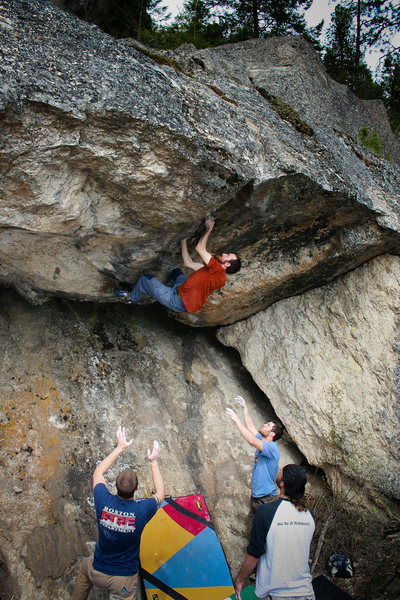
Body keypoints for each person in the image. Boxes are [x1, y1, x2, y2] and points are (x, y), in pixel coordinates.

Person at [70, 426, 165, 600]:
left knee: (84, 570)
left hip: (96, 570)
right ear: (136, 489)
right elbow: (160, 494)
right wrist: (153, 462)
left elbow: (98, 472)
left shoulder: (102, 500)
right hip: (122, 580)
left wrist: (119, 447)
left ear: (114, 485)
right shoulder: (141, 510)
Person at [114, 216, 241, 314]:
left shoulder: (218, 270)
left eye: (227, 255)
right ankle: (168, 285)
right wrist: (183, 241)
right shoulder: (216, 274)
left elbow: (200, 248)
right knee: (177, 273)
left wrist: (209, 229)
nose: (224, 253)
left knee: (145, 280)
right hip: (184, 292)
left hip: (178, 300)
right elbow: (188, 263)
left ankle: (131, 297)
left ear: (227, 264)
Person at [234, 464, 316, 600]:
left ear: (282, 483)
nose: (277, 472)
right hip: (306, 592)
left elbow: (254, 554)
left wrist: (240, 579)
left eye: (280, 472)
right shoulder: (310, 515)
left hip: (277, 593)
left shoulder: (266, 512)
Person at [226, 396, 283, 511]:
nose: (264, 424)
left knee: (262, 527)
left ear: (272, 434)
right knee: (253, 525)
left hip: (267, 499)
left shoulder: (272, 448)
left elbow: (251, 440)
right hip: (256, 496)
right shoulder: (262, 440)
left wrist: (237, 420)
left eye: (268, 425)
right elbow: (251, 428)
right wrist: (244, 408)